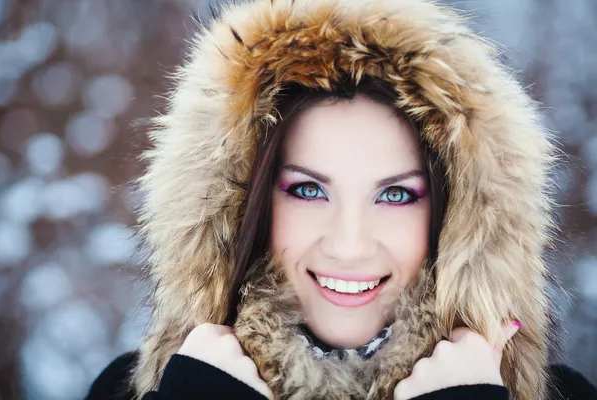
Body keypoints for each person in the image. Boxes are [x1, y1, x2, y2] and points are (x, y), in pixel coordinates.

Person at [86, 0, 597, 399]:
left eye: (397, 195)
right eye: (308, 190)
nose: (349, 245)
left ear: (464, 212)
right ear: (241, 202)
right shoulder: (132, 390)